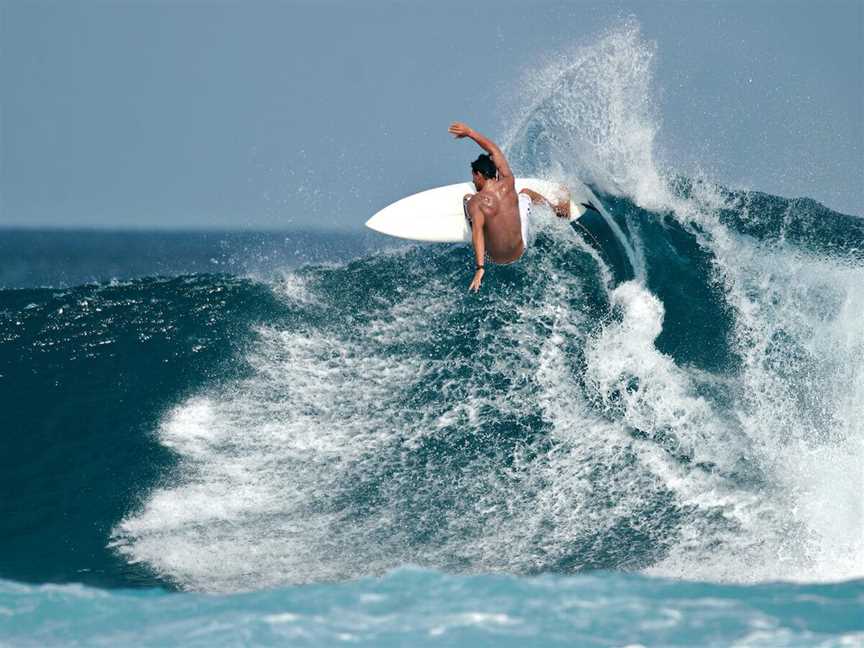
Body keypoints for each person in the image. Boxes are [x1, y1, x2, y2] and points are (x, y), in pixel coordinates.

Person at [448, 122, 570, 292]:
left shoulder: (476, 202)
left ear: (479, 175)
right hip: (521, 249)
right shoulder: (508, 181)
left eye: (474, 178)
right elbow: (494, 150)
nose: (474, 182)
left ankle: (478, 217)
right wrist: (469, 132)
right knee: (525, 192)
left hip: (494, 258)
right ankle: (558, 210)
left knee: (468, 201)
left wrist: (480, 268)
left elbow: (476, 233)